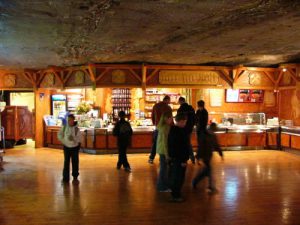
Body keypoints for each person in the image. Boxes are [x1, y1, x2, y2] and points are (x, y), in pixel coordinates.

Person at [192, 123, 224, 193]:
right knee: (209, 170)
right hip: (206, 156)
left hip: (206, 156)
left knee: (206, 171)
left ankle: (195, 181)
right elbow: (216, 146)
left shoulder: (207, 135)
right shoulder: (210, 135)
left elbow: (202, 147)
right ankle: (211, 187)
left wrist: (198, 157)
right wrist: (221, 154)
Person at [168, 113, 190, 202]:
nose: (185, 123)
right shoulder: (181, 132)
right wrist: (184, 159)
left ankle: (175, 194)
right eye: (184, 122)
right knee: (179, 177)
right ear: (181, 121)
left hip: (174, 157)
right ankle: (176, 195)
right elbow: (183, 147)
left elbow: (171, 146)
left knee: (175, 176)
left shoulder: (172, 131)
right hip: (180, 159)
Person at [58, 114, 82, 183]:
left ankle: (75, 177)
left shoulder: (76, 129)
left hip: (75, 148)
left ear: (73, 120)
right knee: (66, 162)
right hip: (66, 147)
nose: (69, 121)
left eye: (71, 120)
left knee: (75, 162)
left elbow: (80, 139)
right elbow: (59, 135)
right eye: (68, 120)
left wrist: (74, 139)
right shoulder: (64, 127)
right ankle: (65, 178)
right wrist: (63, 141)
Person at [148, 95, 172, 164]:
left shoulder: (155, 106)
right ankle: (163, 157)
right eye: (169, 101)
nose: (169, 102)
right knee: (165, 142)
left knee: (155, 143)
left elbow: (152, 116)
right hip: (165, 127)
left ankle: (151, 158)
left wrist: (155, 124)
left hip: (157, 127)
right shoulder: (168, 107)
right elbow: (170, 118)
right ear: (167, 100)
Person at [156, 111, 173, 192]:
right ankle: (162, 187)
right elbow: (165, 142)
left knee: (163, 168)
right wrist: (167, 154)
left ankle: (163, 185)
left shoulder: (161, 126)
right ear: (167, 118)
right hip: (163, 150)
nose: (171, 120)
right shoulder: (165, 128)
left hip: (160, 149)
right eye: (171, 118)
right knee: (163, 169)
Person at [177, 96, 196, 164]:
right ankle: (192, 157)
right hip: (190, 128)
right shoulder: (191, 108)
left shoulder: (180, 109)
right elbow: (194, 118)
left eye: (179, 101)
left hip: (182, 129)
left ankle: (184, 158)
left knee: (183, 143)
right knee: (188, 142)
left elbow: (178, 120)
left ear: (181, 101)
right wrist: (192, 125)